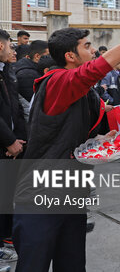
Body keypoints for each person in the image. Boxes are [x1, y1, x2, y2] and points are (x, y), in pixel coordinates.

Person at [11, 17, 120, 272]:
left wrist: (99, 140)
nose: (93, 50)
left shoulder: (86, 92)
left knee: (72, 264)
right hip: (41, 196)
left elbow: (73, 134)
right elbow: (94, 70)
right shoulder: (58, 82)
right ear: (71, 56)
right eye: (87, 46)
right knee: (33, 265)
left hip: (72, 193)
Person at [0, 30, 27, 267]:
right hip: (5, 145)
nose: (13, 51)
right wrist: (9, 141)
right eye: (10, 46)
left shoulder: (7, 72)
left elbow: (13, 109)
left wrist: (17, 140)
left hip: (9, 147)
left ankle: (5, 241)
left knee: (7, 196)